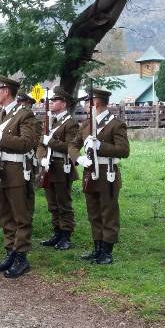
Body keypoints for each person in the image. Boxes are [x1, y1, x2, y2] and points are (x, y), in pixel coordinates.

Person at [0, 75, 40, 278]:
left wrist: (2, 137)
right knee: (5, 214)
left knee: (21, 215)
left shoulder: (24, 115)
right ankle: (10, 251)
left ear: (6, 91)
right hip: (1, 170)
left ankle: (21, 257)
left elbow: (27, 143)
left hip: (17, 170)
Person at [69, 88, 129, 265]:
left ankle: (107, 251)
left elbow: (124, 150)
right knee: (93, 212)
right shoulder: (87, 124)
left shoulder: (115, 124)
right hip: (89, 172)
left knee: (108, 212)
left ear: (95, 103)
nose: (85, 105)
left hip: (107, 173)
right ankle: (97, 248)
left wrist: (100, 145)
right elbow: (73, 146)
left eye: (88, 102)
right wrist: (78, 158)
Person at [36, 86, 80, 250]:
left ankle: (66, 236)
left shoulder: (71, 124)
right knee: (52, 203)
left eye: (55, 100)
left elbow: (70, 146)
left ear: (64, 103)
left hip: (62, 167)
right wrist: (41, 159)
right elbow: (40, 143)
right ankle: (57, 233)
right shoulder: (50, 121)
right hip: (48, 167)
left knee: (63, 203)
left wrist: (51, 142)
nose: (52, 103)